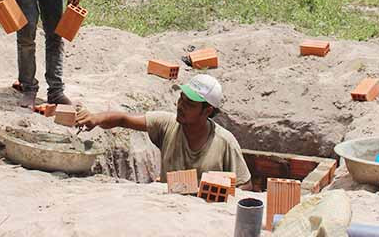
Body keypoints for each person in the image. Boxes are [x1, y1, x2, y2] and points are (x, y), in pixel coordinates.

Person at [76, 74, 251, 186]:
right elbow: (123, 119)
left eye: (189, 104)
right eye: (181, 99)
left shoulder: (225, 143)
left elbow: (245, 186)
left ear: (207, 111)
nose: (180, 106)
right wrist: (95, 118)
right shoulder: (167, 124)